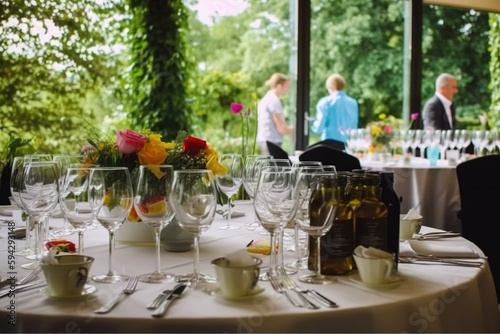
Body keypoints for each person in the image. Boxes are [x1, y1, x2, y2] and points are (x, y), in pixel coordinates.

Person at [311, 73, 358, 143]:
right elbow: (354, 128)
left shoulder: (325, 102)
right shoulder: (353, 103)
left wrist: (312, 124)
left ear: (330, 87)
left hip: (329, 146)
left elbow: (318, 128)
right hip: (347, 146)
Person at [256, 73, 293, 155]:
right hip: (271, 143)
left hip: (265, 140)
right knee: (273, 167)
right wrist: (293, 130)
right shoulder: (274, 101)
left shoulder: (266, 99)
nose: (288, 89)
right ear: (279, 86)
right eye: (287, 86)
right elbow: (281, 128)